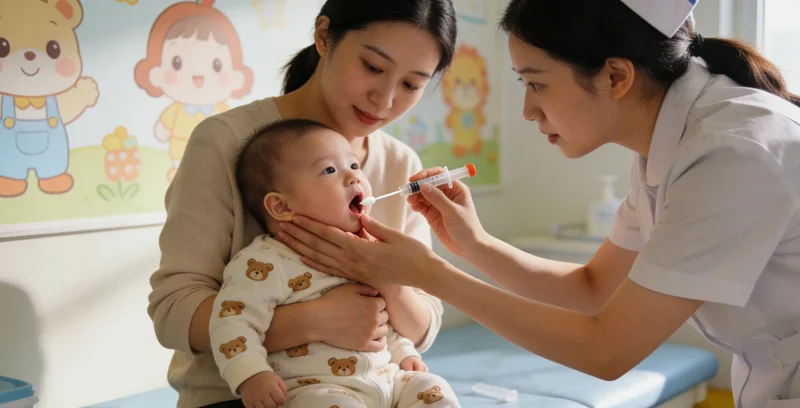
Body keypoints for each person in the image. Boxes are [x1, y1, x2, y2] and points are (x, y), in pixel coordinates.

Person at [274, 1, 800, 407]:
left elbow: (606, 349)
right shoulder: (670, 149)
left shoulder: (731, 152)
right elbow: (593, 289)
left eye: (536, 84)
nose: (528, 109)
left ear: (616, 77)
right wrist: (473, 244)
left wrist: (430, 272)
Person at [146, 1, 458, 406]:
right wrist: (314, 321)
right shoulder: (226, 141)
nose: (384, 100)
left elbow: (421, 328)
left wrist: (389, 280)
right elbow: (174, 312)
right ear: (324, 36)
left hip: (377, 390)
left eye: (411, 85)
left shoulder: (400, 165)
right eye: (372, 67)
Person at [210, 119, 459, 408]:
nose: (354, 178)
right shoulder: (265, 261)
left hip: (387, 382)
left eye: (354, 166)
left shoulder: (368, 252)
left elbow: (380, 318)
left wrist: (403, 352)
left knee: (433, 389)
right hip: (317, 390)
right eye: (329, 170)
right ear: (282, 206)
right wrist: (250, 375)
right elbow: (231, 322)